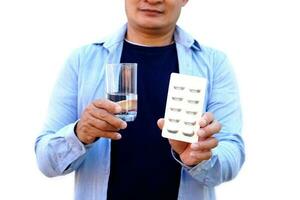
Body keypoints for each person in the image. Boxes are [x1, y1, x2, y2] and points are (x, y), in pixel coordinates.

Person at [35, 0, 245, 199]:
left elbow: (232, 154)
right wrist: (80, 134)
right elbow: (46, 161)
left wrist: (201, 158)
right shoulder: (82, 61)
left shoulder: (214, 64)